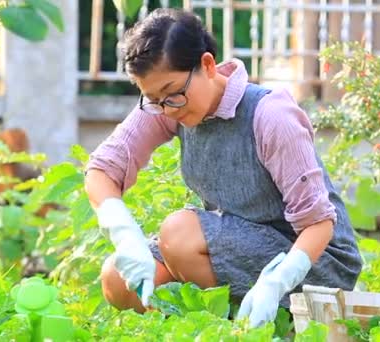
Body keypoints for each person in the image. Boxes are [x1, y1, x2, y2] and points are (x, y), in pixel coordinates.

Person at [85, 8, 362, 328]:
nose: (166, 109)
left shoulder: (271, 114)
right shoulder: (167, 105)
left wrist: (276, 284)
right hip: (236, 248)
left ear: (206, 64)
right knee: (118, 280)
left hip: (312, 260)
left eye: (173, 94)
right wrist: (125, 236)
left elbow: (319, 225)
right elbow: (103, 169)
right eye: (154, 100)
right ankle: (213, 327)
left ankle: (251, 328)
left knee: (180, 233)